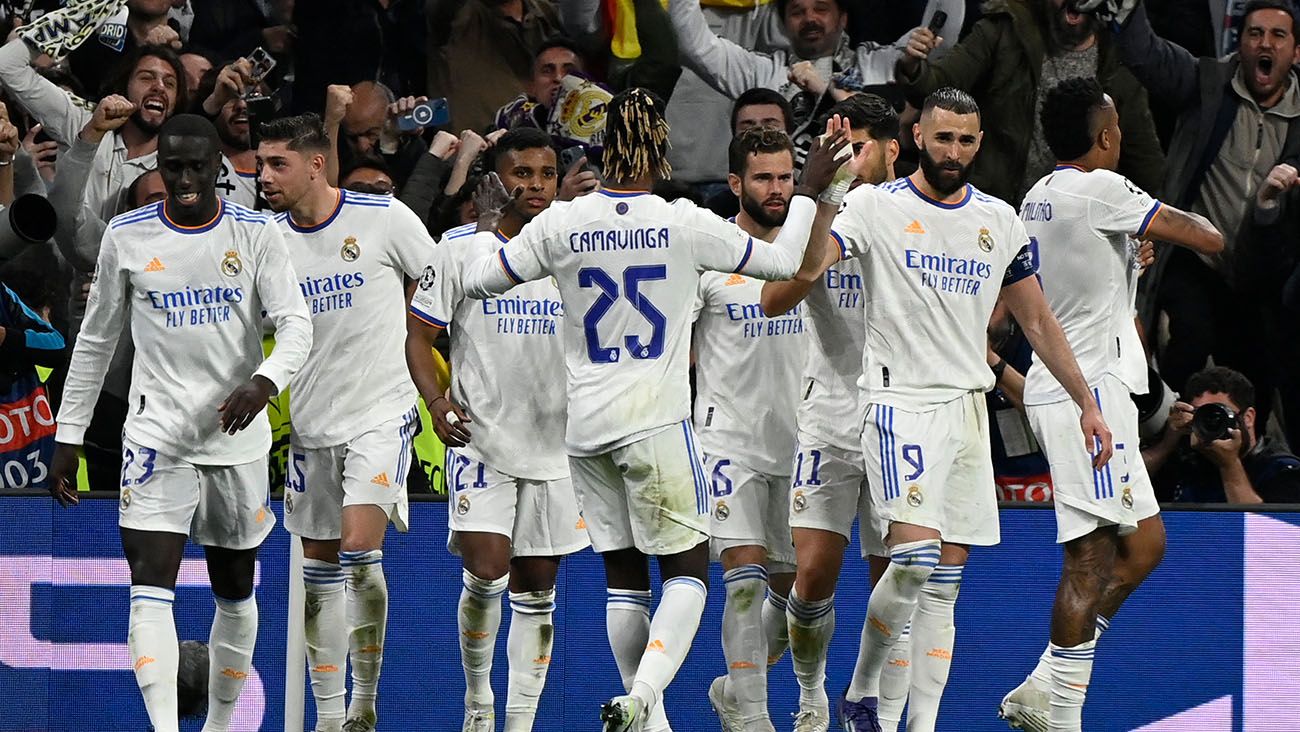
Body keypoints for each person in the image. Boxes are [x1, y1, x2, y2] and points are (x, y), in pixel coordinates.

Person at [459, 88, 847, 732]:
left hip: (584, 431)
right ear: (659, 150)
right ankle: (642, 698)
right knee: (688, 575)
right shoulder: (683, 221)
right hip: (657, 422)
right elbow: (782, 263)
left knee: (623, 581)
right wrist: (807, 187)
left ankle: (651, 720)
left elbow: (482, 279)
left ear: (604, 150)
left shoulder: (562, 222)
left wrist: (502, 237)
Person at [827, 88, 1112, 732]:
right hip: (899, 403)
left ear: (979, 144)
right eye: (943, 137)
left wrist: (1087, 405)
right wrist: (823, 194)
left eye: (966, 139)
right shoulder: (873, 205)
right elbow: (816, 264)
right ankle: (862, 694)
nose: (953, 150)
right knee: (914, 563)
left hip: (966, 410)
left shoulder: (1000, 221)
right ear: (919, 137)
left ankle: (919, 725)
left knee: (944, 590)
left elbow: (1038, 320)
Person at [47, 114, 312, 732]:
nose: (186, 178)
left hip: (235, 439)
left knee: (234, 587)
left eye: (198, 166)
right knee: (149, 580)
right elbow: (96, 339)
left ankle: (221, 725)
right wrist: (69, 433)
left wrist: (266, 380)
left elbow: (297, 325)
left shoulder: (257, 233)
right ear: (158, 167)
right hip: (155, 434)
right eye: (174, 167)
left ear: (218, 165)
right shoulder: (129, 234)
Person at [1001, 77, 1224, 732]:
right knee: (1090, 554)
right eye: (1119, 124)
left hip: (1083, 382)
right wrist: (1164, 221)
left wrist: (1128, 257)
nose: (1123, 134)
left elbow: (1079, 279)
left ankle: (1046, 682)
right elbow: (1208, 237)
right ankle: (1061, 715)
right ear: (1104, 135)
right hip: (1084, 392)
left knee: (1145, 544)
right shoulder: (1104, 189)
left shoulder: (1040, 194)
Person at [406, 127, 590, 732]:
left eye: (544, 174)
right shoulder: (458, 249)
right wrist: (435, 401)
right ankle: (479, 703)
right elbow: (417, 335)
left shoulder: (573, 250)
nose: (534, 186)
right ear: (494, 178)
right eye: (521, 174)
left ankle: (521, 720)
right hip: (480, 438)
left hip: (556, 444)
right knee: (488, 570)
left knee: (537, 590)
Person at [256, 113, 432, 732]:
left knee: (361, 550)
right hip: (309, 426)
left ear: (316, 164)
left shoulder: (384, 219)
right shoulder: (265, 240)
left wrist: (440, 376)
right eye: (261, 164)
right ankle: (330, 720)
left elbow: (438, 288)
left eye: (278, 164)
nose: (264, 177)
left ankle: (364, 700)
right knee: (319, 575)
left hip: (381, 412)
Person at [754, 92, 922, 732]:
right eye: (836, 148)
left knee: (899, 580)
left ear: (891, 149)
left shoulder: (919, 216)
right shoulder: (819, 219)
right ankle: (811, 694)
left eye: (857, 147)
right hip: (826, 414)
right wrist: (819, 204)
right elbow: (776, 298)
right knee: (813, 576)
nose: (847, 159)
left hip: (900, 420)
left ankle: (878, 710)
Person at [1085, 0, 1300, 438]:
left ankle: (1250, 472)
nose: (1265, 43)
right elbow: (1151, 57)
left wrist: (1270, 207)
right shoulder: (1208, 83)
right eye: (1255, 33)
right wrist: (1128, 13)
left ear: (1296, 53)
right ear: (1239, 43)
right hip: (1193, 260)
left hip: (1262, 273)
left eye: (1278, 35)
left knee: (1257, 375)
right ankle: (1171, 440)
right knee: (1189, 339)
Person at [690, 126, 809, 732]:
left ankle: (736, 689)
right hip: (725, 439)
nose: (778, 189)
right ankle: (755, 716)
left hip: (797, 441)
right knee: (742, 580)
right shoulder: (709, 253)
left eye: (787, 177)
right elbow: (676, 352)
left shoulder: (813, 252)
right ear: (736, 183)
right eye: (763, 177)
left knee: (796, 596)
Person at [893, 0, 1166, 205]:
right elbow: (936, 89)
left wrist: (1144, 225)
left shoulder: (1120, 61)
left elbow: (1146, 165)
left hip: (1072, 228)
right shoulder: (1005, 28)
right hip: (991, 208)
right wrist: (912, 66)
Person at [667, 0, 963, 164]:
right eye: (797, 11)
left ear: (843, 18)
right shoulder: (764, 72)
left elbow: (941, 39)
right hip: (785, 206)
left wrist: (921, 44)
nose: (810, 18)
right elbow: (696, 46)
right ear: (784, 25)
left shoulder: (878, 63)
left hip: (865, 203)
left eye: (821, 8)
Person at [0, 38, 185, 218]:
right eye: (147, 78)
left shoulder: (177, 166)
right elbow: (7, 64)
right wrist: (89, 10)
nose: (159, 87)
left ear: (176, 101)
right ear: (124, 86)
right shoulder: (82, 122)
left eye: (169, 84)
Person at [1144, 366, 1300, 503]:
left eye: (1218, 414)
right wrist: (1166, 445)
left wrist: (1229, 465)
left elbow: (1264, 533)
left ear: (1248, 418)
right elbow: (1127, 487)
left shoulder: (1282, 469)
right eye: (1202, 415)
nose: (1211, 423)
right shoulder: (1188, 462)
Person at [704, 88, 798, 219]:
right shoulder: (715, 213)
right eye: (748, 128)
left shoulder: (808, 210)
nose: (759, 133)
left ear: (790, 133)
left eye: (770, 127)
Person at [199, 57, 265, 208]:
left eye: (253, 95)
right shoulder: (198, 169)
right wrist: (215, 100)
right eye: (231, 97)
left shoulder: (289, 168)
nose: (242, 105)